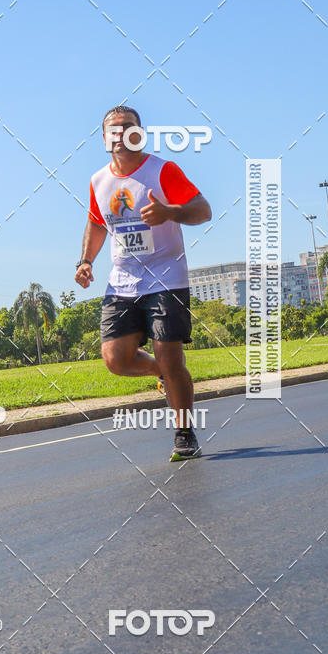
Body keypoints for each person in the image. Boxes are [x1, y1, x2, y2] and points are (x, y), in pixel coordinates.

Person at [75, 105, 212, 461]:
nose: (120, 135)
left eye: (128, 128)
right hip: (122, 281)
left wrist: (171, 212)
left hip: (166, 276)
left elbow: (203, 209)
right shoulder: (98, 181)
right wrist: (86, 261)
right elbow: (97, 222)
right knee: (115, 360)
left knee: (171, 355)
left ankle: (184, 434)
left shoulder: (162, 171)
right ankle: (161, 372)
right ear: (104, 138)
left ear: (139, 133)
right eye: (113, 130)